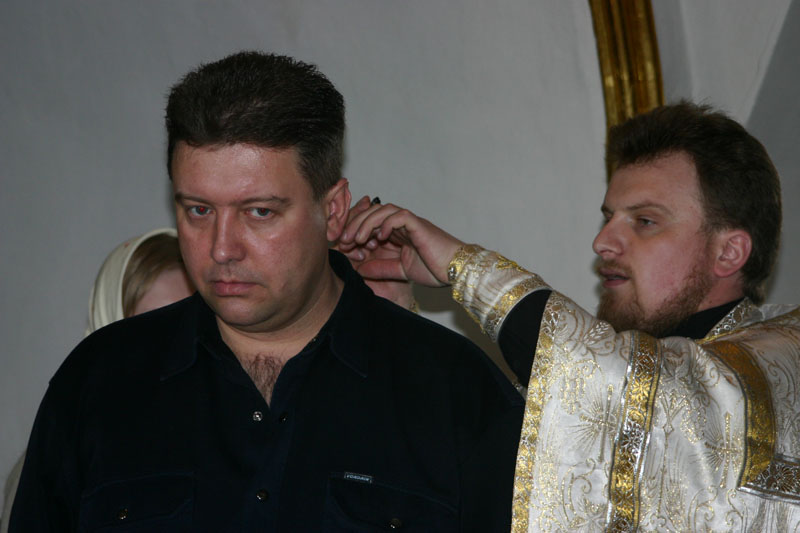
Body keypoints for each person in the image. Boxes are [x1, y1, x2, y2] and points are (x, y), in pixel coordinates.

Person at [10, 52, 523, 532]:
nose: (222, 249)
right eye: (198, 211)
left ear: (333, 210)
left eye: (259, 212)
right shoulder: (100, 382)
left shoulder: (453, 392)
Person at [338, 102, 800, 530]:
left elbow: (645, 391)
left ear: (729, 252)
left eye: (644, 221)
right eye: (608, 217)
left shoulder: (783, 361)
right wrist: (390, 315)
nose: (603, 242)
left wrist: (465, 266)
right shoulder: (583, 386)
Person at [1, 228, 193, 533]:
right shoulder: (57, 463)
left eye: (187, 326)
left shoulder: (233, 440)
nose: (173, 346)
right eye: (150, 328)